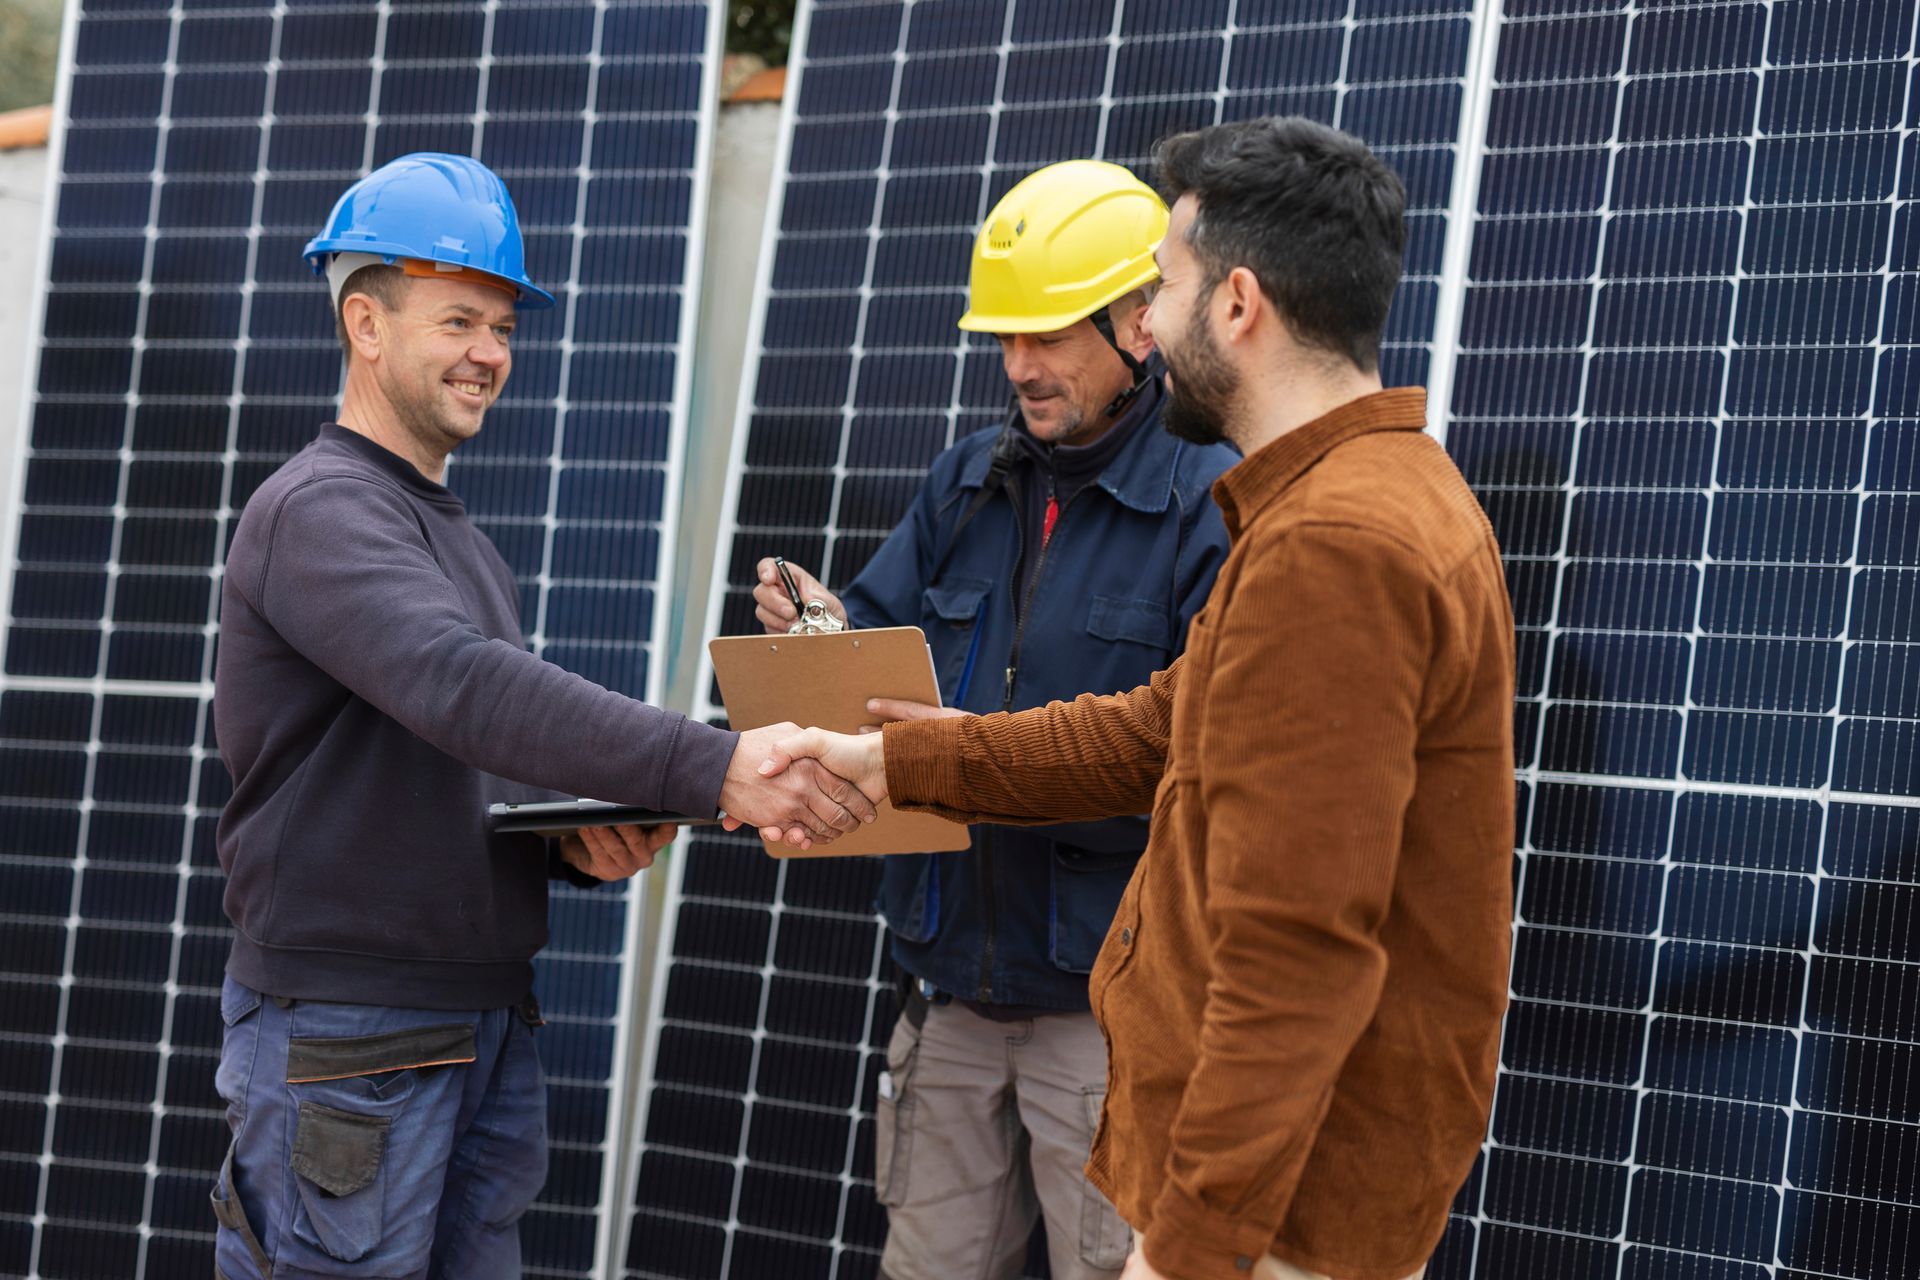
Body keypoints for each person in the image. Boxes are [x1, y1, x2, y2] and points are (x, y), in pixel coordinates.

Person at [757, 117, 1517, 1280]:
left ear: (1239, 304)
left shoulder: (1336, 546)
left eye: (1164, 287)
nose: (1152, 321)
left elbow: (1296, 956)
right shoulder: (1364, 497)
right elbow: (1159, 727)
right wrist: (895, 763)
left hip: (1275, 1220)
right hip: (1270, 1186)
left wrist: (1189, 1251)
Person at [208, 153, 875, 1280]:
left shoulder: (457, 539)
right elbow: (458, 685)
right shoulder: (318, 511)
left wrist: (566, 845)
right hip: (352, 1038)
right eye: (460, 318)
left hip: (479, 1023)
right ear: (364, 323)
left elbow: (462, 758)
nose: (491, 353)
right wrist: (710, 764)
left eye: (505, 326)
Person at [750, 160, 1235, 1280]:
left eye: (1050, 332)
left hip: (1108, 1018)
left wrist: (955, 752)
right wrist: (820, 635)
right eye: (1004, 335)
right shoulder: (966, 481)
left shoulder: (1211, 503)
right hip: (951, 997)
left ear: (1140, 323)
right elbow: (869, 667)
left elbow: (1193, 759)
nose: (1020, 364)